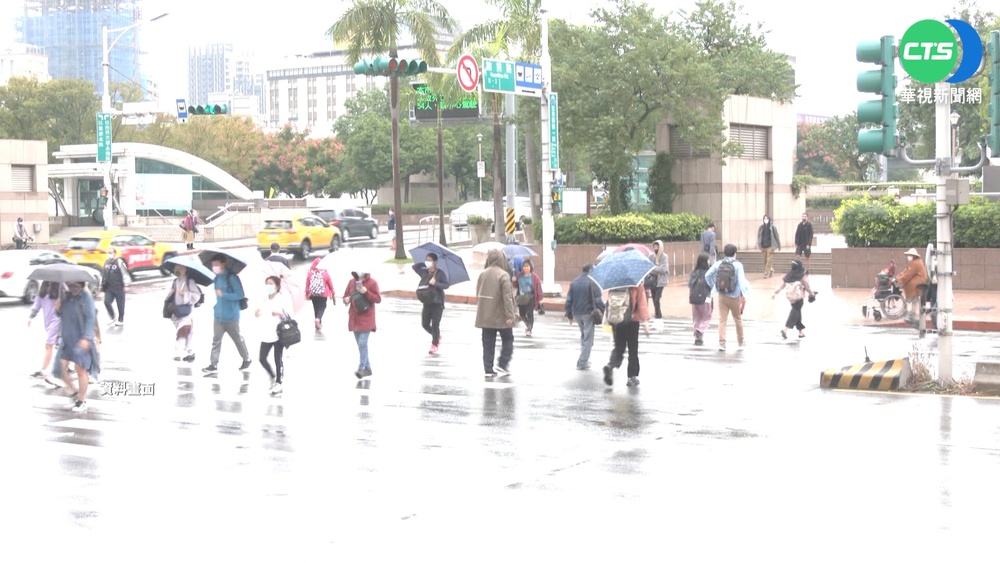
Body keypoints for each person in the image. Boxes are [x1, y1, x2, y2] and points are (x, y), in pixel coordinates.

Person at [55, 282, 99, 413]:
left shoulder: (86, 297)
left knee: (80, 369)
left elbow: (91, 318)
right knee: (59, 367)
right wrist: (57, 309)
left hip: (81, 339)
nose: (71, 286)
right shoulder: (65, 296)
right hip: (67, 339)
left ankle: (81, 400)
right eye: (69, 283)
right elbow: (62, 315)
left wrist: (86, 337)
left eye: (74, 283)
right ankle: (75, 392)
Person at [203, 255, 251, 375]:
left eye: (217, 265)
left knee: (237, 339)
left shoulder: (232, 278)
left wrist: (224, 294)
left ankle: (246, 358)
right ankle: (213, 364)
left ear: (223, 264)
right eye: (213, 265)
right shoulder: (217, 278)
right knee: (216, 340)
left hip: (231, 316)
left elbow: (239, 294)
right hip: (218, 316)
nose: (215, 267)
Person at [476, 249, 517, 378]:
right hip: (500, 315)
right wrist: (510, 315)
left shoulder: (483, 274)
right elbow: (507, 297)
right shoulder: (503, 275)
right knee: (508, 339)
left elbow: (478, 293)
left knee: (487, 342)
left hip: (485, 314)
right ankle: (502, 363)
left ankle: (488, 368)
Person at [602, 283, 651, 387]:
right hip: (632, 320)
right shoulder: (637, 284)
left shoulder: (614, 284)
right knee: (633, 349)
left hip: (617, 320)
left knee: (619, 347)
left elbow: (610, 304)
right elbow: (641, 303)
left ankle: (610, 365)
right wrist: (645, 322)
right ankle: (632, 377)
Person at [705, 243, 751, 352]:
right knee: (737, 319)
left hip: (722, 295)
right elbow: (741, 281)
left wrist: (714, 287)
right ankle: (740, 342)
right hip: (734, 296)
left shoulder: (719, 263)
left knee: (722, 320)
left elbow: (707, 275)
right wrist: (744, 294)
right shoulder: (738, 265)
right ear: (735, 253)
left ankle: (722, 343)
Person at [256, 275, 293, 394]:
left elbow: (289, 315)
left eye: (271, 284)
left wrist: (280, 314)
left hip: (278, 333)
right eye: (267, 284)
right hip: (266, 332)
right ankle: (272, 376)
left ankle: (279, 382)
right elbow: (259, 313)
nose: (269, 286)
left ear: (277, 286)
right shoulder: (265, 299)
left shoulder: (282, 299)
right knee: (262, 358)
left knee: (278, 358)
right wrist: (257, 313)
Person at [564, 263, 604, 370]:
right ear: (591, 270)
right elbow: (598, 300)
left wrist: (569, 314)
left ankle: (584, 359)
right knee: (588, 338)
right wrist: (604, 311)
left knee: (583, 336)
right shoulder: (593, 282)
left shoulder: (574, 281)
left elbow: (568, 300)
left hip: (577, 313)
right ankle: (582, 362)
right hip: (588, 313)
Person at [343, 271, 382, 378]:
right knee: (361, 346)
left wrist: (366, 292)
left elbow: (378, 299)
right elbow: (346, 296)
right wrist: (346, 299)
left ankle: (361, 368)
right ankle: (368, 369)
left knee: (362, 343)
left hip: (367, 317)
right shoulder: (351, 282)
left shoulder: (372, 283)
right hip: (354, 317)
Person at [412, 252, 450, 354]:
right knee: (424, 324)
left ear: (435, 262)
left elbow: (446, 285)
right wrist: (425, 265)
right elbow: (415, 267)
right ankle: (436, 336)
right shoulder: (425, 273)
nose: (427, 262)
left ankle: (434, 344)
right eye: (426, 260)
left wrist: (435, 283)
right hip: (427, 301)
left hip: (437, 303)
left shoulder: (440, 273)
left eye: (429, 260)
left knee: (435, 324)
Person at [771, 259, 817, 339]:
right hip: (799, 297)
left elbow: (781, 285)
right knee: (795, 312)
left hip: (791, 298)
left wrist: (775, 293)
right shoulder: (801, 275)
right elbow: (806, 286)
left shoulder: (789, 275)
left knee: (797, 313)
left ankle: (800, 332)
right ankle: (785, 329)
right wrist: (812, 294)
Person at [28, 281, 63, 381]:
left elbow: (70, 300)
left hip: (58, 319)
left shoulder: (61, 286)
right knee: (59, 345)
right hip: (47, 320)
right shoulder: (43, 288)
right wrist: (31, 315)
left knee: (49, 344)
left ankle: (43, 370)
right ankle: (65, 366)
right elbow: (38, 303)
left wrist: (61, 302)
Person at [169, 264, 203, 362]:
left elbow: (197, 296)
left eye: (179, 269)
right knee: (187, 333)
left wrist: (185, 294)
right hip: (176, 312)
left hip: (187, 312)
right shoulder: (175, 282)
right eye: (175, 269)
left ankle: (178, 352)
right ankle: (190, 352)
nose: (177, 271)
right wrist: (172, 292)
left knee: (183, 331)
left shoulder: (189, 282)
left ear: (184, 270)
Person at [896, 247, 928, 323]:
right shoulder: (915, 262)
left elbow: (908, 274)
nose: (908, 256)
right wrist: (899, 277)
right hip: (919, 282)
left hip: (918, 283)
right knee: (914, 299)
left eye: (910, 255)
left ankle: (911, 314)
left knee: (914, 298)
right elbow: (906, 271)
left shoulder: (916, 263)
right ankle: (911, 313)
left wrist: (899, 279)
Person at [688, 253, 713, 346]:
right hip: (705, 298)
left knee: (696, 317)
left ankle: (697, 336)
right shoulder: (709, 272)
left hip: (694, 299)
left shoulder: (694, 272)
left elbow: (690, 284)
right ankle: (700, 330)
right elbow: (712, 285)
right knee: (706, 317)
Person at [101, 246, 128, 327]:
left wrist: (126, 285)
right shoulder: (106, 262)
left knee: (120, 304)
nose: (109, 254)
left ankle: (120, 319)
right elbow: (104, 274)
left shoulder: (119, 262)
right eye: (108, 253)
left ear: (115, 253)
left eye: (111, 253)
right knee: (106, 302)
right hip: (109, 287)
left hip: (119, 287)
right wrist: (101, 284)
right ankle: (112, 316)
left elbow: (124, 274)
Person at [514, 259, 543, 337]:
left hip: (531, 298)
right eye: (524, 266)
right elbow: (516, 285)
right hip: (521, 298)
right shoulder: (519, 275)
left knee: (530, 314)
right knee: (522, 314)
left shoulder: (534, 277)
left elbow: (538, 288)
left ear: (531, 267)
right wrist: (514, 280)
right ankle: (527, 324)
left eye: (527, 266)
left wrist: (540, 299)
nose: (525, 268)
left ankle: (529, 329)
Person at [305, 257, 335, 330]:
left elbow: (307, 284)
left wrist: (307, 294)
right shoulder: (325, 273)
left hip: (313, 294)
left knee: (316, 308)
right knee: (322, 307)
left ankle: (318, 324)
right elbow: (330, 283)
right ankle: (318, 319)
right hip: (323, 294)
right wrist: (332, 292)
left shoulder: (310, 273)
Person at [647, 240, 670, 328]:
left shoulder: (664, 256)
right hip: (652, 281)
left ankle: (658, 317)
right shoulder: (650, 256)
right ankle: (658, 318)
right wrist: (656, 269)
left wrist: (653, 268)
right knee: (653, 300)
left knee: (657, 299)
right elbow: (648, 267)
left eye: (657, 246)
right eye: (654, 246)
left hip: (661, 281)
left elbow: (663, 269)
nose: (655, 248)